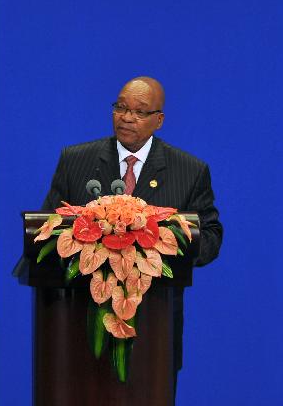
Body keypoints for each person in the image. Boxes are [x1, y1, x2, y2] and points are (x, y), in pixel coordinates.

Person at [42, 76, 223, 379]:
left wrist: (164, 242)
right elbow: (46, 229)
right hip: (75, 324)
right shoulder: (75, 161)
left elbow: (211, 238)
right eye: (120, 107)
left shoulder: (189, 171)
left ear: (159, 120)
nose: (126, 117)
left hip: (155, 328)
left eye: (139, 112)